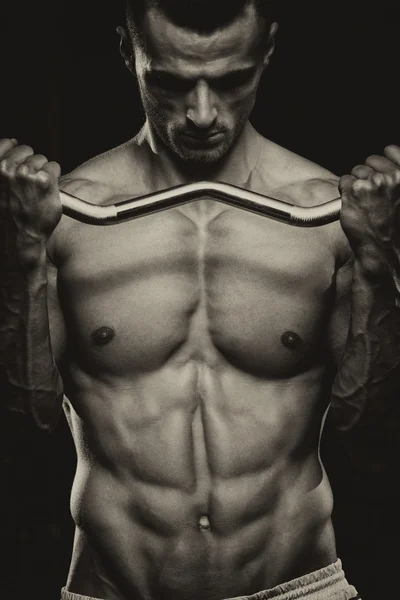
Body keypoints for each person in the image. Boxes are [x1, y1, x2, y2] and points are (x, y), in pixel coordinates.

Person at [1, 1, 399, 599]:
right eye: (170, 82)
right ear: (126, 54)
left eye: (232, 81)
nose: (202, 114)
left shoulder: (326, 216)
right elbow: (26, 425)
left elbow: (365, 430)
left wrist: (378, 261)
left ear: (266, 53)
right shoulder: (70, 218)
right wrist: (21, 254)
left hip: (296, 586)